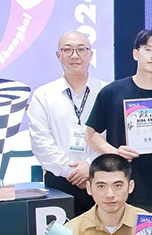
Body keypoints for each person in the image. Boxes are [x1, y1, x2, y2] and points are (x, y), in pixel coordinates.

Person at [85, 27, 152, 213]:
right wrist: (114, 153)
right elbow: (90, 134)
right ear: (136, 53)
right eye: (148, 49)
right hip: (114, 192)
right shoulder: (112, 92)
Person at [27, 31, 104, 215]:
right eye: (67, 50)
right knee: (62, 233)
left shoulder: (106, 91)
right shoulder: (44, 94)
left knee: (101, 232)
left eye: (81, 49)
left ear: (91, 54)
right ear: (58, 55)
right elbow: (40, 141)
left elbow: (114, 137)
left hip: (101, 179)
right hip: (59, 182)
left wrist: (91, 166)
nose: (74, 55)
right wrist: (70, 171)